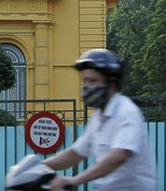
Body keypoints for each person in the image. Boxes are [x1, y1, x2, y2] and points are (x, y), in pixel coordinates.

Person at [43, 49, 157, 190]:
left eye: (93, 81)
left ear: (111, 84)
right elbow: (76, 153)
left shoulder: (126, 112)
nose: (87, 87)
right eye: (85, 81)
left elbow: (119, 156)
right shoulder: (98, 116)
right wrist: (40, 167)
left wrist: (74, 180)